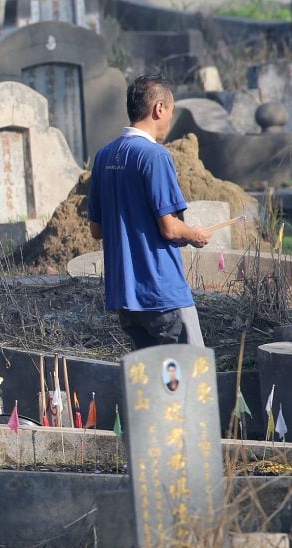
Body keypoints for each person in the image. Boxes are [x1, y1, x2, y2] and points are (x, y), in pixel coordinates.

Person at [87, 73, 213, 351]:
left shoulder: (104, 156)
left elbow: (96, 230)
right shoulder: (155, 156)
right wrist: (194, 234)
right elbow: (169, 227)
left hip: (125, 297)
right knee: (191, 380)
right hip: (161, 293)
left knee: (151, 387)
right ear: (159, 109)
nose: (170, 118)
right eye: (171, 110)